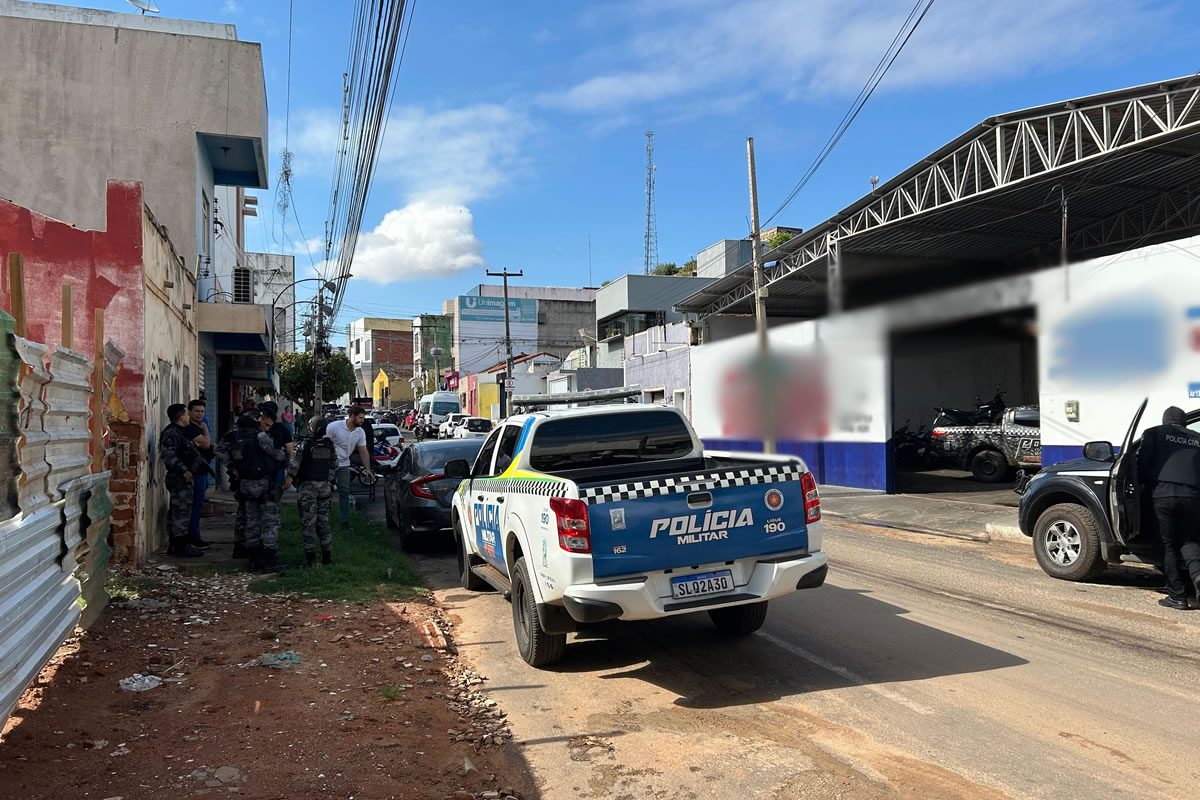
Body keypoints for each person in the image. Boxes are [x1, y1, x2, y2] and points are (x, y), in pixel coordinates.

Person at [1136, 406, 1200, 611]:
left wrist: (1141, 486)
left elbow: (1142, 464)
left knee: (1168, 545)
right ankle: (1198, 576)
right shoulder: (1197, 438)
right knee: (1190, 541)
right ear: (1184, 422)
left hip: (1163, 496)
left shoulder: (1154, 433)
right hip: (1193, 497)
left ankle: (1177, 596)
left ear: (1165, 420)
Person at [221, 408, 288, 572]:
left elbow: (221, 453)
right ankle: (269, 560)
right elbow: (277, 455)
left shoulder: (234, 437)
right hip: (264, 484)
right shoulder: (260, 436)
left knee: (251, 522)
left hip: (245, 484)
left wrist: (233, 467)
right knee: (270, 523)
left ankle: (253, 559)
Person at [160, 403, 207, 558]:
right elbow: (168, 456)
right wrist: (184, 470)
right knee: (180, 511)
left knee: (182, 510)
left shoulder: (180, 432)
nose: (189, 417)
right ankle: (179, 546)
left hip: (183, 477)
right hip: (178, 477)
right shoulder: (172, 433)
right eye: (187, 414)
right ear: (181, 417)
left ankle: (179, 544)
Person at [289, 417, 337, 566]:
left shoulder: (304, 444)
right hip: (324, 488)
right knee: (324, 523)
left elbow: (293, 466)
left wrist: (289, 478)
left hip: (307, 488)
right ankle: (327, 559)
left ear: (312, 428)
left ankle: (310, 560)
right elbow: (334, 465)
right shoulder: (329, 445)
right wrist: (327, 480)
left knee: (309, 523)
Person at [327, 405, 373, 528]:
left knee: (344, 492)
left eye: (363, 418)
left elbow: (363, 451)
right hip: (328, 465)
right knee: (325, 492)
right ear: (352, 416)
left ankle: (344, 522)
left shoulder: (360, 432)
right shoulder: (334, 427)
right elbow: (323, 444)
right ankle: (324, 520)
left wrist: (367, 469)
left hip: (344, 464)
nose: (362, 420)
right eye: (360, 418)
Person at [183, 399, 214, 548]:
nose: (200, 414)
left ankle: (194, 536)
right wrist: (206, 430)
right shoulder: (191, 429)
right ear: (189, 412)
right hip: (195, 472)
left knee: (198, 505)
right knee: (195, 505)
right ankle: (193, 538)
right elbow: (207, 444)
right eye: (196, 411)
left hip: (201, 471)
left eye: (202, 411)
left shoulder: (197, 427)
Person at [260, 401, 295, 499]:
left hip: (258, 468)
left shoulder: (257, 428)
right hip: (277, 468)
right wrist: (287, 467)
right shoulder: (282, 429)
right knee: (274, 499)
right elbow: (289, 450)